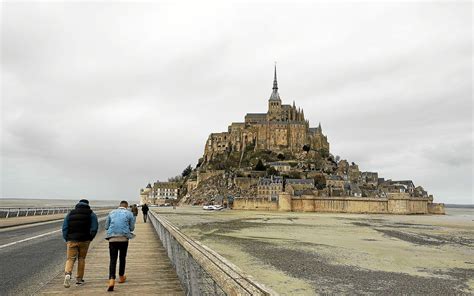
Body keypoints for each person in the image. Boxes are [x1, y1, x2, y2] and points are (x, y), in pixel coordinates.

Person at [62, 199, 99, 288]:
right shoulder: (91, 214)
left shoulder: (70, 213)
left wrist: (66, 238)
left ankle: (68, 274)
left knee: (70, 259)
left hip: (72, 240)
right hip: (84, 240)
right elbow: (94, 228)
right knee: (81, 258)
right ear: (87, 205)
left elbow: (65, 227)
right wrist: (90, 238)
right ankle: (79, 279)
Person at [105, 200, 135, 291]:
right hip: (124, 238)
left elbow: (106, 226)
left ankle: (111, 280)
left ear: (119, 206)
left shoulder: (111, 212)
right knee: (122, 257)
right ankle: (121, 277)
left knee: (113, 259)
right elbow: (132, 228)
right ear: (126, 206)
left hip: (112, 238)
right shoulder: (129, 214)